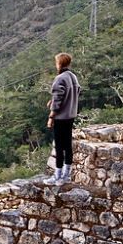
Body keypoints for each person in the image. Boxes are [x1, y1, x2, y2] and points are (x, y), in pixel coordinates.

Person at [45, 52, 81, 184]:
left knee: (59, 146)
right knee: (67, 145)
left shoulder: (60, 78)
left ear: (59, 63)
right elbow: (72, 94)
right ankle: (66, 175)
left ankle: (57, 175)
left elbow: (58, 99)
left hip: (60, 118)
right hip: (70, 115)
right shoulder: (73, 77)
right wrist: (52, 101)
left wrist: (51, 117)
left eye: (56, 62)